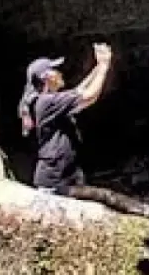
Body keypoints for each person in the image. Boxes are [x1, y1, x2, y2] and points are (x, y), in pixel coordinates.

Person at [22, 43, 113, 194]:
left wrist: (98, 66)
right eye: (55, 70)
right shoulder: (46, 103)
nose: (60, 73)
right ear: (47, 78)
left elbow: (79, 90)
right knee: (105, 196)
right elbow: (89, 96)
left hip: (64, 176)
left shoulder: (44, 100)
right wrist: (104, 67)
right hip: (55, 182)